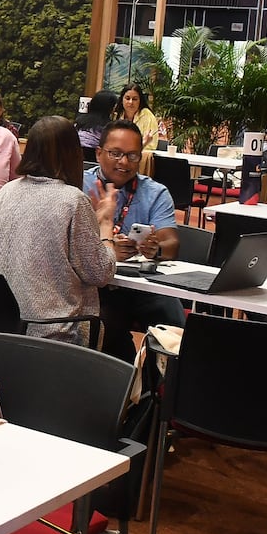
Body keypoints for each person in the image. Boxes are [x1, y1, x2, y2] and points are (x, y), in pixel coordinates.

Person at [0, 115, 117, 344]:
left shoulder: (7, 191)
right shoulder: (73, 201)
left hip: (0, 328)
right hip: (54, 336)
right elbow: (101, 273)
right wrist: (106, 230)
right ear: (74, 154)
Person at [84, 120, 183, 363]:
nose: (124, 162)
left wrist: (155, 248)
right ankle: (125, 386)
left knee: (176, 326)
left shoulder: (155, 192)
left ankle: (164, 390)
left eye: (132, 155)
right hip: (95, 286)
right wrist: (106, 248)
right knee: (105, 327)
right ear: (99, 153)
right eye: (115, 154)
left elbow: (172, 243)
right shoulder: (78, 185)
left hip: (142, 285)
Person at [117, 83, 159, 159]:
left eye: (135, 99)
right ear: (121, 100)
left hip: (140, 158)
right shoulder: (116, 115)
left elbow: (150, 147)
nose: (130, 102)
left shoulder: (148, 116)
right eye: (127, 98)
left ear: (140, 101)